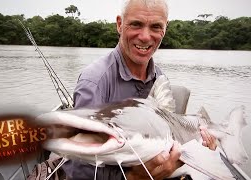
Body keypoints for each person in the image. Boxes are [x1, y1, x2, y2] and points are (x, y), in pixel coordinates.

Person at [62, 0, 217, 179]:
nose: (145, 36)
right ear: (119, 24)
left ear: (165, 28)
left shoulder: (159, 77)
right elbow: (80, 170)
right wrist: (134, 177)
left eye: (156, 27)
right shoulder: (95, 82)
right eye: (136, 24)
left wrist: (204, 152)